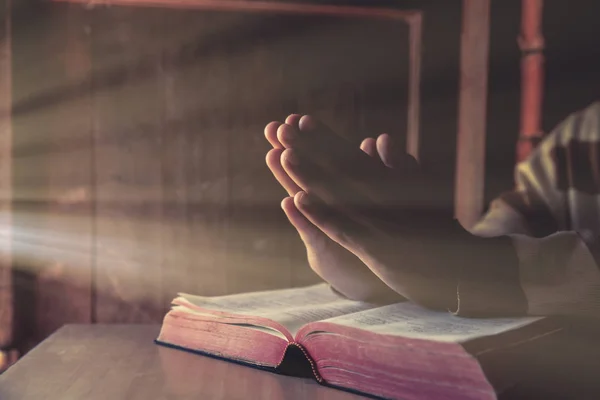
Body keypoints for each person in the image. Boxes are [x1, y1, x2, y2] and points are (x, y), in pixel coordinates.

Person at [264, 102, 600, 318]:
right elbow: (495, 237)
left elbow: (468, 264)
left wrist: (463, 268)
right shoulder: (577, 141)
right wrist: (381, 265)